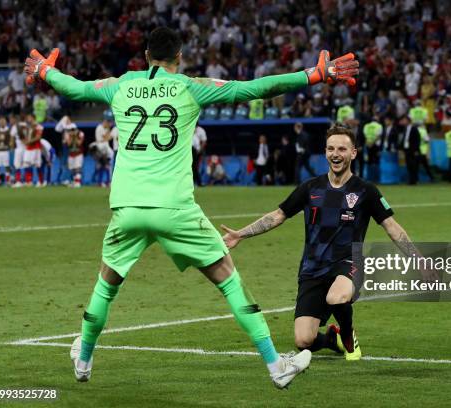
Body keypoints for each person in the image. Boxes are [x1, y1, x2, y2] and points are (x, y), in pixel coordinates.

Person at [24, 27, 358, 388]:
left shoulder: (120, 84)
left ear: (146, 55)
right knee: (229, 280)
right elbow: (252, 89)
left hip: (127, 208)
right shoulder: (188, 86)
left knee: (106, 284)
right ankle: (276, 366)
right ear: (179, 57)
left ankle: (84, 361)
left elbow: (74, 87)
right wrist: (312, 74)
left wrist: (44, 70)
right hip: (175, 208)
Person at [221, 124, 435, 361]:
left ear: (353, 153)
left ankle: (347, 334)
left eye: (342, 149)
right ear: (325, 152)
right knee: (304, 340)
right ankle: (330, 339)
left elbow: (392, 227)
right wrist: (240, 234)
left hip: (348, 263)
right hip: (312, 268)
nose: (336, 154)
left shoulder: (366, 191)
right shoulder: (311, 188)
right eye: (331, 148)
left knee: (336, 297)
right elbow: (278, 215)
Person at [92, 112, 117, 187]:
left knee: (105, 166)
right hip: (101, 148)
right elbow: (105, 138)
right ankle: (102, 181)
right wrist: (109, 128)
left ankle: (105, 181)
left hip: (104, 148)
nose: (108, 123)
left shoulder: (104, 128)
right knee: (104, 166)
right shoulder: (100, 127)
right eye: (107, 122)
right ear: (105, 121)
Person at [22, 113, 44, 187]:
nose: (28, 119)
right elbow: (27, 136)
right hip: (28, 148)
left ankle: (40, 182)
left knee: (37, 165)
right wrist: (25, 141)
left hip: (36, 148)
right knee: (26, 164)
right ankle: (29, 182)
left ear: (33, 118)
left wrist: (28, 141)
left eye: (29, 118)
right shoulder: (28, 127)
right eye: (27, 118)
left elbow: (38, 137)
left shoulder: (39, 126)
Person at [399, 115, 421, 185]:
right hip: (407, 149)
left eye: (404, 120)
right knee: (408, 165)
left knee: (413, 165)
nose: (403, 121)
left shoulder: (414, 128)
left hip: (413, 150)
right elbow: (404, 139)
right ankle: (411, 180)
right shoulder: (405, 129)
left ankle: (414, 180)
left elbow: (417, 140)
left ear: (408, 120)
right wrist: (401, 147)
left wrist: (416, 150)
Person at [0, 117, 14, 186]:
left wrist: (10, 144)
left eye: (3, 121)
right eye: (0, 121)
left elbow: (11, 140)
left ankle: (8, 181)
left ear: (5, 122)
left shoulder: (8, 130)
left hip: (5, 151)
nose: (1, 123)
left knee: (7, 166)